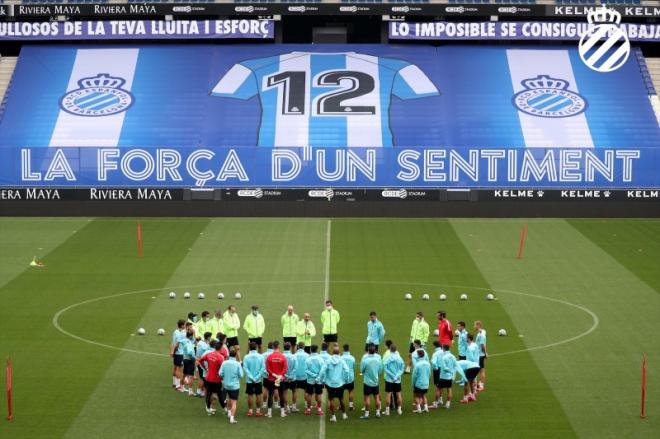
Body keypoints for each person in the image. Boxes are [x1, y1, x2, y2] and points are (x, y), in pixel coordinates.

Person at [321, 346, 349, 422]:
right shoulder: (342, 360)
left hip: (330, 384)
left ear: (332, 353)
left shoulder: (328, 360)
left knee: (331, 400)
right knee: (341, 399)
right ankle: (344, 414)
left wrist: (322, 380)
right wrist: (345, 379)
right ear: (339, 353)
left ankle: (333, 416)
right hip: (340, 383)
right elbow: (347, 370)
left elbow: (323, 371)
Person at [198, 341, 225, 416]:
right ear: (221, 348)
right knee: (219, 394)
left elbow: (200, 361)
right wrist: (222, 376)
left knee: (209, 393)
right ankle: (225, 409)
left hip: (208, 378)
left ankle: (208, 409)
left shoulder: (209, 354)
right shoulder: (220, 357)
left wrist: (205, 368)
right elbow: (222, 369)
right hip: (216, 379)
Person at [220, 348, 244, 424]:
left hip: (226, 385)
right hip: (234, 386)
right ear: (236, 355)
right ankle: (232, 418)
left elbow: (220, 373)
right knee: (234, 402)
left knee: (229, 399)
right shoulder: (237, 364)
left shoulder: (224, 363)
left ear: (229, 355)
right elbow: (241, 375)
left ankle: (229, 413)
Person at [265, 340, 288, 418]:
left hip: (271, 379)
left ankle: (269, 413)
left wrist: (274, 375)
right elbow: (285, 369)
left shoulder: (269, 357)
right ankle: (282, 412)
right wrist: (279, 376)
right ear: (278, 347)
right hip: (281, 379)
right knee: (281, 395)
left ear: (272, 347)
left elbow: (268, 369)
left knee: (270, 395)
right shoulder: (283, 357)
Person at [359, 344, 383, 419]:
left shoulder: (365, 360)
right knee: (377, 397)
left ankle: (366, 414)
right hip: (375, 382)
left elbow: (361, 370)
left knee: (367, 398)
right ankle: (378, 413)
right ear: (375, 350)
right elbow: (380, 370)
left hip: (367, 382)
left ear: (368, 350)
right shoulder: (378, 359)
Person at [243, 341, 266, 417]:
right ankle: (258, 411)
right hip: (258, 380)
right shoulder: (261, 356)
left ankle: (250, 411)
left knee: (250, 395)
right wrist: (256, 377)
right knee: (258, 394)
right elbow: (263, 368)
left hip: (250, 380)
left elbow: (245, 368)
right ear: (256, 347)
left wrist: (252, 378)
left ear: (249, 347)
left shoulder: (246, 357)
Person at [438, 344, 463, 409]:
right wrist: (452, 374)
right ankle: (448, 404)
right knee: (449, 389)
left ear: (443, 348)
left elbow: (445, 368)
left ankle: (439, 401)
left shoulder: (444, 357)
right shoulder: (453, 356)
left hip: (443, 376)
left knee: (439, 389)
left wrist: (450, 371)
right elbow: (455, 366)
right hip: (450, 377)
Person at [383, 343, 404, 416]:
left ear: (390, 350)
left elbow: (385, 368)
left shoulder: (388, 358)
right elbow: (402, 369)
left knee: (388, 394)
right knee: (398, 394)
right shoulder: (399, 358)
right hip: (397, 379)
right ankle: (399, 410)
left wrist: (392, 376)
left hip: (389, 379)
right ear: (396, 350)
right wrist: (396, 376)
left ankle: (387, 411)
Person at [304, 345, 325, 416]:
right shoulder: (320, 359)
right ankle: (319, 410)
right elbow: (322, 370)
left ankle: (308, 409)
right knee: (319, 394)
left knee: (309, 394)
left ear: (310, 350)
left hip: (310, 380)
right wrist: (317, 377)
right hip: (318, 380)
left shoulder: (308, 359)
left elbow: (306, 370)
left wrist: (313, 375)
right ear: (317, 350)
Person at [411, 349, 431, 413]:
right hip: (426, 383)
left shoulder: (417, 365)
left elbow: (414, 376)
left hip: (418, 383)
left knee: (416, 395)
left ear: (418, 355)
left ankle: (419, 409)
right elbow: (429, 374)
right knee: (423, 395)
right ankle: (426, 408)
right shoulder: (428, 364)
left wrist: (413, 384)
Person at [195, 332, 213, 397]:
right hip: (202, 362)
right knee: (203, 378)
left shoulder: (200, 342)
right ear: (208, 337)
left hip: (199, 360)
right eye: (210, 337)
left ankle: (200, 391)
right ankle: (199, 391)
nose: (211, 338)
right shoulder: (205, 346)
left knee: (202, 378)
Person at [170, 319, 186, 390]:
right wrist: (174, 351)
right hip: (179, 353)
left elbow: (173, 343)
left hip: (176, 353)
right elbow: (177, 345)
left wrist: (172, 351)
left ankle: (174, 383)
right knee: (179, 369)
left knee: (175, 367)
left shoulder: (175, 331)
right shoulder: (179, 334)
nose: (185, 326)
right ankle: (178, 385)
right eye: (185, 324)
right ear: (182, 325)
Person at [293, 342, 309, 412]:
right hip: (304, 376)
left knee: (295, 391)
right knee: (306, 391)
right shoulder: (307, 355)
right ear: (304, 347)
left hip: (296, 377)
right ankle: (306, 405)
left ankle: (294, 406)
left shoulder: (294, 355)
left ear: (297, 347)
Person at [282, 342, 298, 413]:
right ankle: (294, 407)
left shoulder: (281, 356)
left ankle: (287, 407)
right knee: (294, 391)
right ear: (290, 347)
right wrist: (290, 377)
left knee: (284, 392)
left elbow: (281, 368)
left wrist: (286, 377)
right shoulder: (294, 356)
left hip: (284, 378)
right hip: (293, 378)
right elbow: (295, 368)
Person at [430, 341, 445, 409]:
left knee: (438, 387)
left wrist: (435, 368)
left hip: (438, 370)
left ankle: (435, 403)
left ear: (435, 346)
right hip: (443, 369)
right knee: (441, 385)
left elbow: (433, 362)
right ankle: (440, 399)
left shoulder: (435, 353)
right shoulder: (444, 352)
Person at [181, 330, 197, 396]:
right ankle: (190, 391)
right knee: (191, 376)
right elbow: (189, 352)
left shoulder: (184, 341)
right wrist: (193, 358)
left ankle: (182, 387)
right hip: (190, 360)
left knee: (184, 374)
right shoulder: (189, 343)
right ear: (190, 336)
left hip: (185, 359)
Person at [341, 344, 356, 410]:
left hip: (342, 378)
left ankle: (341, 406)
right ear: (348, 349)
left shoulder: (341, 358)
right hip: (350, 377)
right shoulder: (352, 358)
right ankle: (351, 406)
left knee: (341, 393)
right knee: (350, 391)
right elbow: (353, 367)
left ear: (343, 349)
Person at [474, 321, 488, 391]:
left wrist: (485, 353)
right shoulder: (482, 332)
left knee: (481, 370)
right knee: (479, 370)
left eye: (475, 325)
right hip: (478, 354)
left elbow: (482, 345)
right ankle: (478, 383)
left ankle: (481, 385)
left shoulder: (481, 335)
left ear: (478, 325)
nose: (474, 327)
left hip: (480, 355)